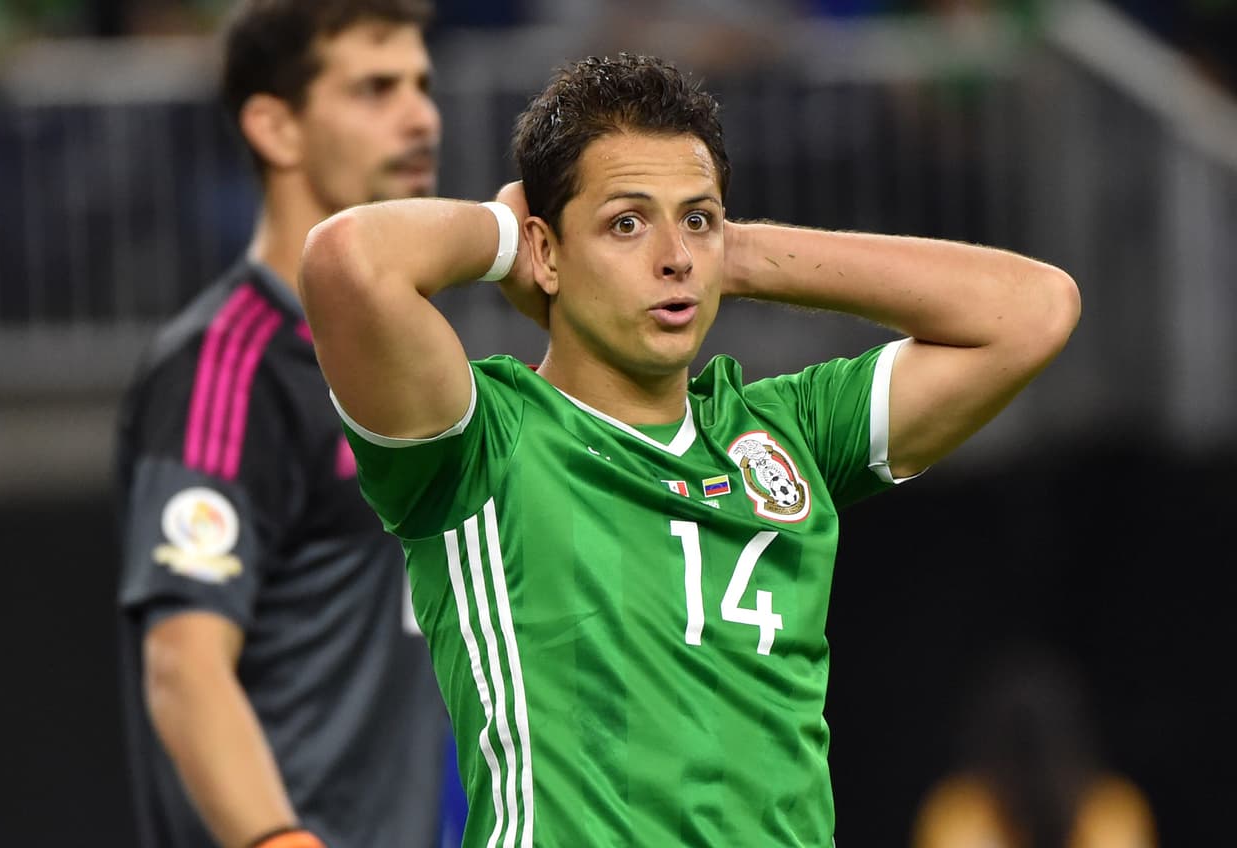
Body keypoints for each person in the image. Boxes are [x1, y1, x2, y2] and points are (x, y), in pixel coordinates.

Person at [297, 52, 1081, 846]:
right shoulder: (483, 444)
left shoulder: (786, 432)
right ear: (548, 251)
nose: (673, 256)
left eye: (697, 218)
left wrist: (736, 254)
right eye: (626, 222)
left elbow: (1032, 310)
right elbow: (349, 262)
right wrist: (509, 235)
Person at [114, 2, 460, 847]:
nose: (421, 115)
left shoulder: (418, 363)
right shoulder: (225, 365)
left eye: (422, 84)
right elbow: (185, 666)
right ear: (275, 127)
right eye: (375, 89)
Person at [910, 645, 1158, 848]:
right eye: (1016, 753)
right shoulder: (958, 813)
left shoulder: (1112, 811)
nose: (1031, 772)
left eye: (1043, 752)